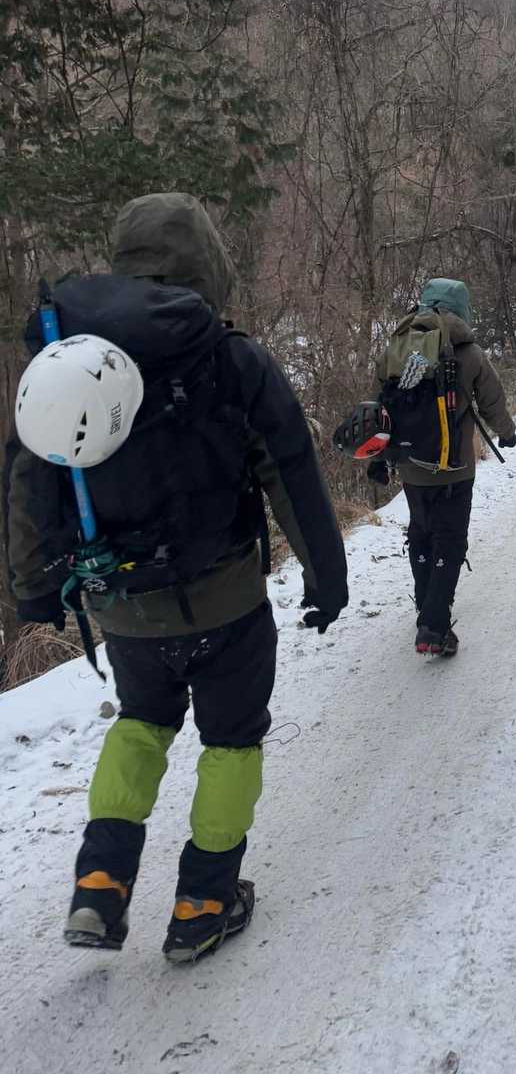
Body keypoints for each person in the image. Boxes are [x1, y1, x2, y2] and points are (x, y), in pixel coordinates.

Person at [3, 193, 348, 963]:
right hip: (227, 603)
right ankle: (203, 902)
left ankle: (100, 884)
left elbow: (30, 472)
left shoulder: (66, 355)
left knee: (140, 724)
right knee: (231, 742)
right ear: (207, 261)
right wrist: (326, 575)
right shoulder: (230, 356)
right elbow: (290, 469)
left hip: (124, 610)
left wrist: (33, 589)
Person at [369, 278, 516, 656]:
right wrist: (507, 433)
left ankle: (426, 604)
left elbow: (379, 410)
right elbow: (492, 401)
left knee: (421, 531)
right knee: (450, 538)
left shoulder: (396, 349)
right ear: (463, 309)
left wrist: (378, 459)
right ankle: (434, 624)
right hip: (455, 468)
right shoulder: (471, 353)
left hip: (410, 467)